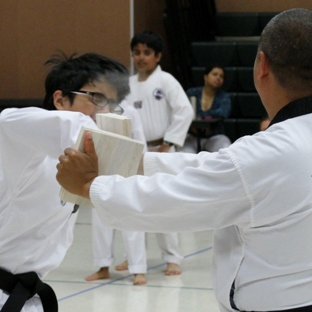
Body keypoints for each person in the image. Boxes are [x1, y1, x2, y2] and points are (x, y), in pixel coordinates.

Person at [56, 8, 312, 312]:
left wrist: (88, 185)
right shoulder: (271, 151)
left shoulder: (267, 153)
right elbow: (219, 169)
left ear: (261, 66)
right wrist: (138, 162)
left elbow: (173, 200)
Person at [0, 51, 129, 312]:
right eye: (96, 98)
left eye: (112, 105)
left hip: (27, 294)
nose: (105, 112)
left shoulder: (81, 163)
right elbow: (6, 120)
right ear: (60, 99)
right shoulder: (23, 142)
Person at [124, 30, 194, 275]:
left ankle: (172, 257)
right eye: (137, 53)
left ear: (158, 56)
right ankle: (134, 257)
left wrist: (169, 141)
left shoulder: (166, 81)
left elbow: (184, 111)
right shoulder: (128, 85)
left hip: (162, 148)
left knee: (164, 203)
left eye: (147, 53)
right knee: (134, 203)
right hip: (136, 150)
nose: (141, 58)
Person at [85, 100, 148, 285]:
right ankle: (102, 267)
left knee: (131, 221)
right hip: (99, 169)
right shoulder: (90, 108)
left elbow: (140, 139)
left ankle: (138, 269)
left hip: (126, 167)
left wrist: (139, 166)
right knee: (100, 222)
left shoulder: (128, 109)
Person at [182, 65, 232, 153]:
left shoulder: (223, 96)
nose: (218, 78)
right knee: (183, 152)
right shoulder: (192, 93)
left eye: (221, 76)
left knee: (225, 148)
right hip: (192, 135)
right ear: (205, 77)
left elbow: (223, 112)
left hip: (214, 136)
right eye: (215, 74)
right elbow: (182, 111)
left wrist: (200, 117)